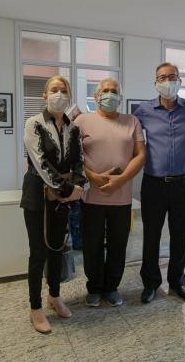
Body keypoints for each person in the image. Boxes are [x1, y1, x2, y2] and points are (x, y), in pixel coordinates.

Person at [133, 62, 185, 304]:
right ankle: (151, 283)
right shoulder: (144, 111)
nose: (167, 81)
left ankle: (177, 282)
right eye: (162, 77)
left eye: (172, 76)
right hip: (153, 184)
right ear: (155, 82)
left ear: (180, 80)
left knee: (180, 236)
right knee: (151, 236)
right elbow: (123, 131)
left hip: (182, 184)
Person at [20, 75, 86, 334]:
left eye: (64, 90)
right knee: (38, 252)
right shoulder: (34, 123)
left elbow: (78, 161)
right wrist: (69, 189)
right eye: (54, 90)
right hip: (38, 194)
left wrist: (78, 186)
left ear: (69, 95)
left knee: (57, 247)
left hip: (63, 196)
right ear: (45, 95)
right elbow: (40, 162)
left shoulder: (73, 127)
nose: (59, 94)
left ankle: (55, 296)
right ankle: (35, 307)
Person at [75, 78, 146, 307]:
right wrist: (92, 177)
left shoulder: (131, 121)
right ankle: (95, 287)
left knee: (118, 244)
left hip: (122, 197)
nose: (110, 94)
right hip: (91, 196)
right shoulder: (82, 121)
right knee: (92, 244)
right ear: (96, 96)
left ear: (120, 97)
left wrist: (121, 180)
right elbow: (73, 156)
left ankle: (112, 287)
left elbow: (141, 154)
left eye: (114, 91)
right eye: (105, 90)